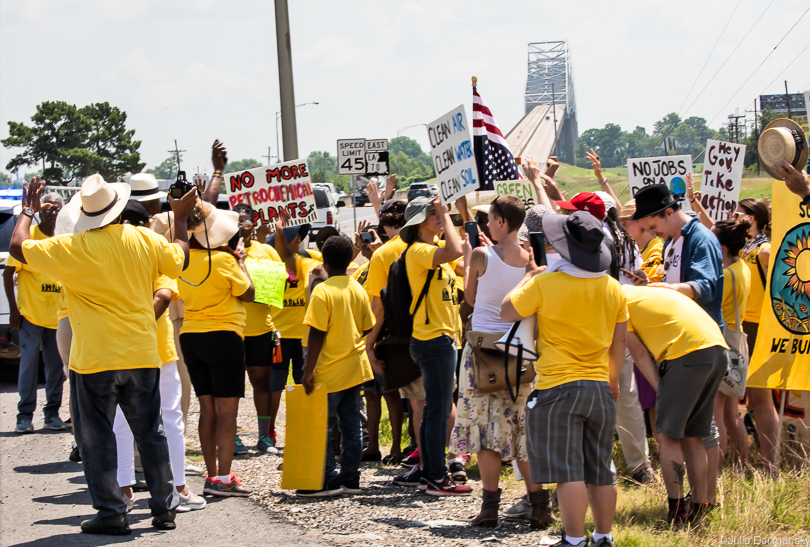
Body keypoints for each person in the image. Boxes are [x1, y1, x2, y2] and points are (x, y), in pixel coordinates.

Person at [10, 174, 197, 535]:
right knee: (151, 433)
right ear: (117, 208)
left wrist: (28, 212)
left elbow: (19, 248)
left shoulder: (71, 248)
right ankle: (164, 507)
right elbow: (180, 259)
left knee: (97, 438)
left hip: (94, 358)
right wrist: (181, 219)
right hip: (141, 352)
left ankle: (111, 511)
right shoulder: (143, 238)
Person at [501, 211, 627, 547]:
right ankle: (604, 537)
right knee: (601, 469)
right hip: (600, 386)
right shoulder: (613, 288)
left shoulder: (545, 283)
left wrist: (528, 275)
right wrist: (613, 381)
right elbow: (619, 344)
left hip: (557, 387)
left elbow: (506, 311)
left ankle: (573, 541)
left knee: (568, 471)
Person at [451, 195, 555, 528]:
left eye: (491, 219)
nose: (487, 225)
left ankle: (490, 508)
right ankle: (539, 505)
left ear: (500, 222)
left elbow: (470, 299)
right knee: (523, 431)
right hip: (519, 350)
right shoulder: (533, 261)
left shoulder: (482, 255)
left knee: (485, 431)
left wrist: (469, 257)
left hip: (482, 350)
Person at [112, 201, 206, 513]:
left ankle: (124, 491)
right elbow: (165, 294)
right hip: (157, 347)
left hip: (118, 348)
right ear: (146, 223)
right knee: (170, 418)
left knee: (122, 422)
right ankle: (178, 488)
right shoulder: (155, 250)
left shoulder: (104, 253)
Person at [623, 285, 729, 524]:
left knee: (667, 435)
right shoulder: (641, 293)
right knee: (694, 435)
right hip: (717, 349)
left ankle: (676, 513)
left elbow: (639, 354)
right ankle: (700, 506)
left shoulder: (616, 303)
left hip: (686, 353)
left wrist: (663, 390)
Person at [178, 202, 255, 498]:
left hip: (191, 336)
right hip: (225, 335)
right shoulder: (224, 261)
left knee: (207, 408)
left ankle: (212, 474)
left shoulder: (182, 261)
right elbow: (248, 293)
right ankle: (224, 477)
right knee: (228, 411)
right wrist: (241, 263)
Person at [399, 196, 471, 496]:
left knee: (434, 411)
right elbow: (454, 249)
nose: (439, 216)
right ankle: (437, 476)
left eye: (437, 211)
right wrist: (445, 210)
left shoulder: (431, 253)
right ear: (417, 223)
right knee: (438, 411)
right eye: (431, 214)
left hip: (440, 339)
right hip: (433, 339)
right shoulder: (418, 251)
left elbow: (463, 254)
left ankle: (431, 474)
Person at [298, 236, 375, 496]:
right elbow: (368, 325)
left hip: (329, 369)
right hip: (355, 367)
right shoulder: (357, 288)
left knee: (322, 425)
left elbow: (317, 333)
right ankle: (350, 477)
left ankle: (326, 478)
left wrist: (308, 371)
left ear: (325, 261)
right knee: (351, 424)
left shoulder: (322, 291)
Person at [5, 192, 68, 434]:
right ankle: (24, 416)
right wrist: (13, 310)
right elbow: (8, 274)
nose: (53, 211)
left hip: (58, 316)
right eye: (48, 207)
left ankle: (52, 414)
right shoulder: (29, 236)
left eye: (57, 208)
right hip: (30, 314)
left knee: (55, 369)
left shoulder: (65, 238)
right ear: (40, 210)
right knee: (29, 366)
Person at [233, 203, 283, 455]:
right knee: (231, 388)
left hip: (260, 329)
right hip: (230, 329)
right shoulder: (223, 251)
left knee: (261, 383)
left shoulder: (266, 251)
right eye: (237, 221)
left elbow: (277, 289)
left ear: (254, 223)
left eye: (245, 221)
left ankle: (264, 437)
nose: (242, 226)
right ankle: (232, 437)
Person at [735, 198, 779, 471]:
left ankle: (770, 466)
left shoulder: (764, 250)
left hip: (758, 326)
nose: (732, 215)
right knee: (749, 399)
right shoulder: (742, 246)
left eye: (738, 213)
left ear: (752, 219)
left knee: (761, 400)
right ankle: (754, 463)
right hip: (741, 325)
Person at [268, 222, 319, 446]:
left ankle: (304, 428)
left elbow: (339, 261)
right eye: (294, 237)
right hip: (277, 335)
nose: (298, 240)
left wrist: (356, 246)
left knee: (301, 383)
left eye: (300, 237)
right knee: (275, 384)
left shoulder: (309, 261)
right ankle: (269, 429)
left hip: (303, 335)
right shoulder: (270, 263)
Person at [712, 219, 752, 471]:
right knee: (731, 413)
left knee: (715, 416)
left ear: (722, 248)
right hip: (737, 344)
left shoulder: (725, 275)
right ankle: (744, 464)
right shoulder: (743, 267)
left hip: (721, 344)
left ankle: (715, 471)